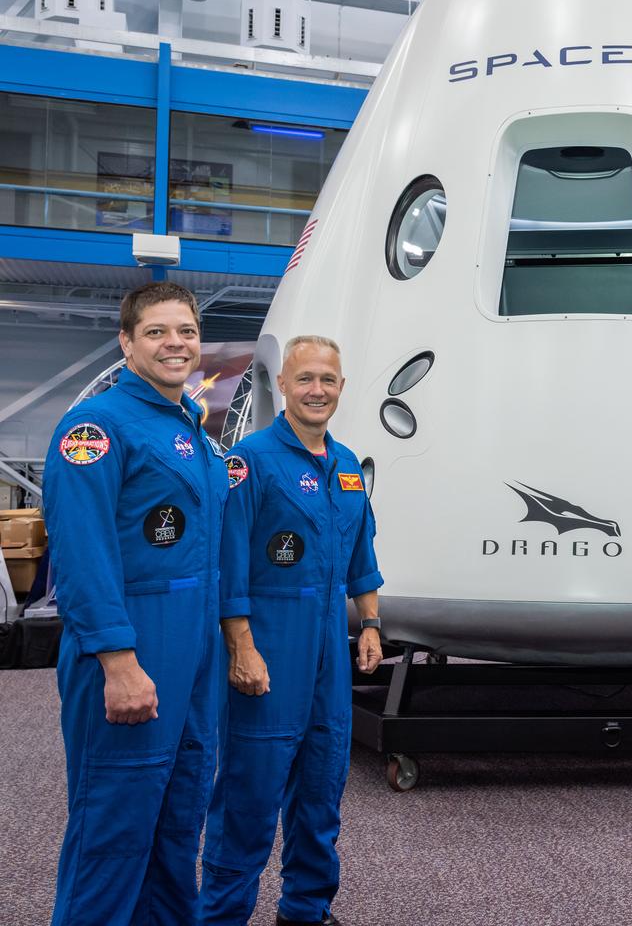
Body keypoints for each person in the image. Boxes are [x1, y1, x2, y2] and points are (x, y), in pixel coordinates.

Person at [43, 281, 228, 925]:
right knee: (113, 832)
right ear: (126, 343)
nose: (175, 343)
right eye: (156, 332)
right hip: (134, 648)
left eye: (186, 331)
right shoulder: (97, 428)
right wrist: (118, 661)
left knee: (178, 829)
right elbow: (81, 555)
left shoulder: (198, 439)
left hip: (194, 657)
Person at [199, 335, 383, 926]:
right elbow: (229, 563)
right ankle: (222, 915)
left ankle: (305, 909)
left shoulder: (349, 466)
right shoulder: (249, 461)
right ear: (283, 385)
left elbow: (361, 557)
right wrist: (242, 646)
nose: (317, 390)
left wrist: (372, 623)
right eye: (305, 379)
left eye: (327, 380)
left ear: (341, 387)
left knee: (323, 786)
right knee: (251, 794)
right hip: (271, 641)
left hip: (331, 639)